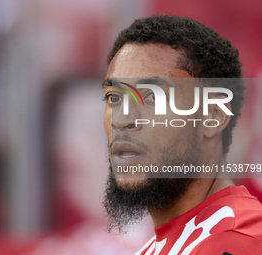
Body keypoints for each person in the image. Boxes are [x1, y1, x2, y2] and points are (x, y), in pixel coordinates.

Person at [102, 15, 262, 255]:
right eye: (114, 97)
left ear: (213, 117)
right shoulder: (156, 247)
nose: (123, 120)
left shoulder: (235, 241)